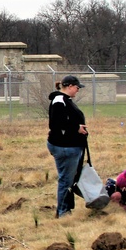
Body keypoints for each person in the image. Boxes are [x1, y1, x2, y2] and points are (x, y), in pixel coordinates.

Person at [46, 75, 88, 218]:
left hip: (69, 145)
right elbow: (56, 124)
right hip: (65, 146)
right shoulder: (59, 100)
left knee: (68, 179)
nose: (77, 91)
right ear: (69, 86)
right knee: (66, 180)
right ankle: (63, 211)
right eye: (77, 88)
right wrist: (76, 128)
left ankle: (66, 209)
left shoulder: (65, 100)